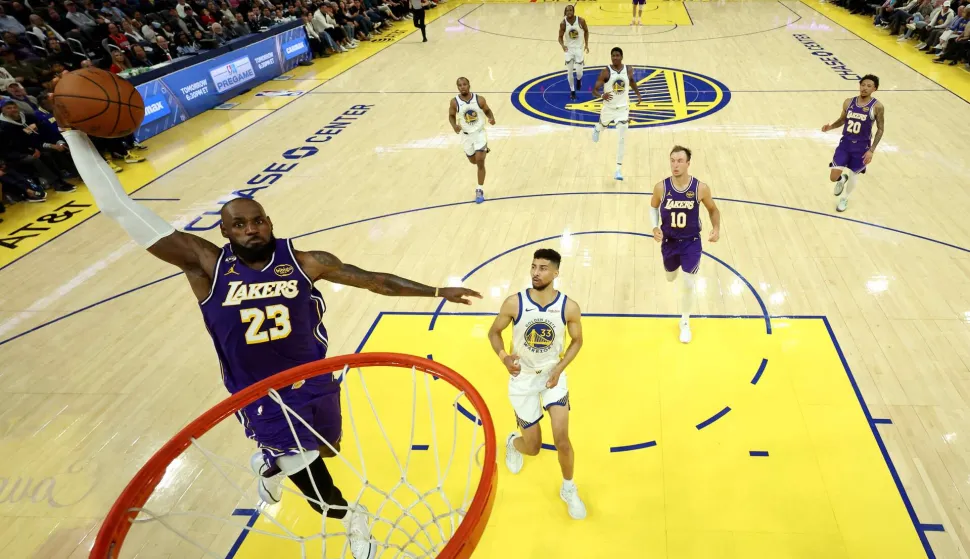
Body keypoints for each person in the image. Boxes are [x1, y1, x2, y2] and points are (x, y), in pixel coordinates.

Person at [58, 126, 482, 559]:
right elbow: (119, 207)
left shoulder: (305, 262)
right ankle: (351, 516)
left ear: (270, 222)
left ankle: (268, 463)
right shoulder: (204, 265)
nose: (251, 229)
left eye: (258, 220)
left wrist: (434, 291)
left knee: (328, 449)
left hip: (314, 380)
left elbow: (375, 282)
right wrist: (75, 135)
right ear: (224, 232)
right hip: (262, 396)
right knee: (316, 483)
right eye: (238, 224)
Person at [487, 248, 586, 520]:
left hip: (552, 376)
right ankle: (512, 442)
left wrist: (560, 368)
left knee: (562, 439)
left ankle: (569, 488)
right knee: (533, 448)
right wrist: (504, 358)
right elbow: (494, 333)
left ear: (556, 273)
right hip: (523, 379)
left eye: (543, 268)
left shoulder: (569, 306)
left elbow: (578, 341)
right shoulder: (514, 303)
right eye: (533, 267)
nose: (536, 272)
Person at [649, 145, 721, 343]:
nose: (675, 165)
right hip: (669, 242)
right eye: (672, 160)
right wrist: (655, 227)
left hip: (691, 242)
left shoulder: (700, 188)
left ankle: (685, 321)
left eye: (680, 161)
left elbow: (713, 210)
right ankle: (672, 270)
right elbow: (653, 207)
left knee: (688, 283)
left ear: (688, 163)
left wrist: (716, 229)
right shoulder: (661, 187)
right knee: (671, 277)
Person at [821, 74, 884, 212]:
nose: (865, 88)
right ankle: (841, 180)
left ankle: (844, 198)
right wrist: (830, 127)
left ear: (875, 89)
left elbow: (880, 129)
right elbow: (842, 119)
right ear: (859, 86)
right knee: (833, 177)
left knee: (854, 175)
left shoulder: (877, 106)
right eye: (863, 85)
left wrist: (871, 150)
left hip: (862, 147)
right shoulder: (849, 102)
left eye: (869, 86)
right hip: (845, 144)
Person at [591, 47, 642, 181]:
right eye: (613, 55)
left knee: (621, 138)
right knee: (603, 126)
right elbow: (594, 90)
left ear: (622, 56)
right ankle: (597, 128)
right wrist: (602, 95)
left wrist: (638, 94)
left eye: (617, 55)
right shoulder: (605, 72)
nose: (615, 58)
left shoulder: (628, 69)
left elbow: (631, 82)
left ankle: (618, 170)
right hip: (608, 108)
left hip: (623, 109)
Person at [448, 77, 494, 204]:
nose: (462, 87)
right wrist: (454, 126)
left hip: (479, 133)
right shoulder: (454, 102)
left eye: (464, 84)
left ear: (469, 85)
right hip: (466, 135)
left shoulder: (479, 99)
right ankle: (482, 150)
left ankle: (479, 189)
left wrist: (491, 118)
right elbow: (451, 116)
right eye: (460, 85)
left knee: (480, 160)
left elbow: (487, 110)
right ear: (457, 87)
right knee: (473, 161)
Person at [558, 5, 589, 101]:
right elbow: (559, 37)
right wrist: (563, 45)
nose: (569, 12)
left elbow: (586, 31)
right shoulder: (563, 23)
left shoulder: (581, 21)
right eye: (567, 10)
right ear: (565, 12)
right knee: (570, 72)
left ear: (574, 11)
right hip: (569, 49)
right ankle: (572, 91)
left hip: (579, 48)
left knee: (579, 72)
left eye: (571, 10)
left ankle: (579, 80)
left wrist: (586, 45)